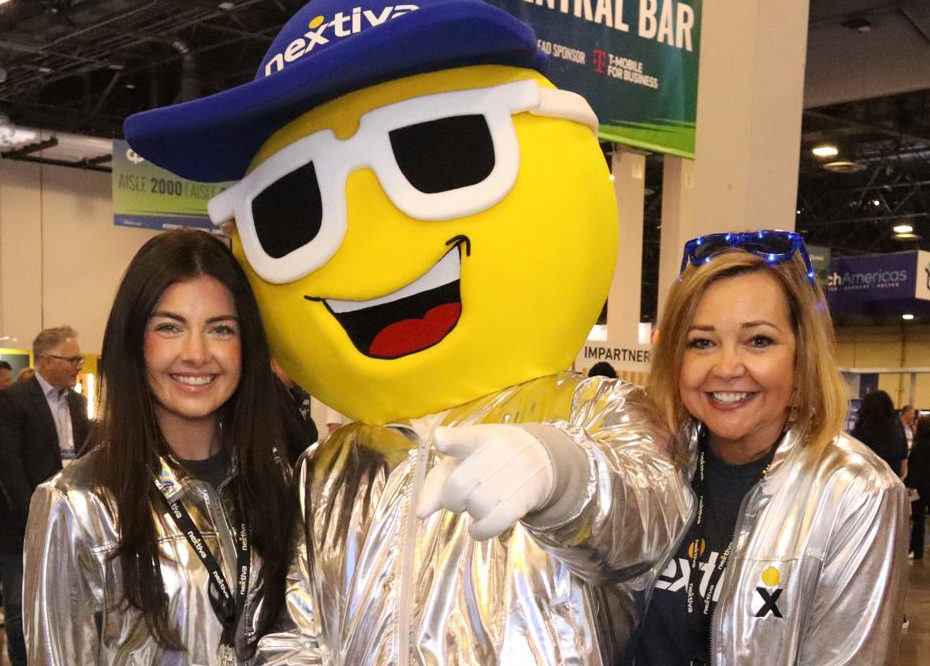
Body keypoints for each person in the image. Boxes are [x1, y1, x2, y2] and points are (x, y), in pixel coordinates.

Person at [125, 1, 691, 664]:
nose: (368, 246)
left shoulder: (590, 412)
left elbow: (649, 522)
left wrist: (561, 474)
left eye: (437, 154)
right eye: (292, 210)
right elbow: (301, 624)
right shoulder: (331, 468)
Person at [23, 229, 297, 666]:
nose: (196, 353)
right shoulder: (75, 502)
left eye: (221, 329)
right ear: (134, 341)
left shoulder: (274, 480)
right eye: (169, 327)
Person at [640, 230, 908, 665]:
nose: (726, 368)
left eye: (759, 341)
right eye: (702, 342)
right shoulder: (651, 466)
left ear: (802, 357)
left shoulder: (857, 493)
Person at [0, 325, 90, 666]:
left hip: (73, 522)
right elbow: (9, 464)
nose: (78, 366)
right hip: (21, 524)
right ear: (45, 361)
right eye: (72, 359)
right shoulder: (13, 400)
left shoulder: (79, 403)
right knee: (22, 606)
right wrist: (36, 518)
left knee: (68, 602)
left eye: (79, 359)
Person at [852, 390, 909, 480]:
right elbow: (903, 457)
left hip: (866, 479)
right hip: (891, 477)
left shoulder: (862, 428)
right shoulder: (897, 426)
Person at [907, 416, 930, 560]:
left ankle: (916, 549)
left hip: (921, 488)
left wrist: (910, 485)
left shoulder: (920, 446)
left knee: (918, 519)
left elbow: (915, 468)